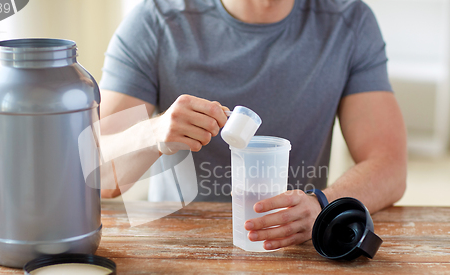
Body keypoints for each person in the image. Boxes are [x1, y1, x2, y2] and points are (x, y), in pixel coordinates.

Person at [98, 0, 407, 251]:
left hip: (289, 250)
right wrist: (154, 131)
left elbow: (390, 166)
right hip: (176, 248)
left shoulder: (349, 23)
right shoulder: (154, 23)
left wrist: (322, 204)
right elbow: (97, 172)